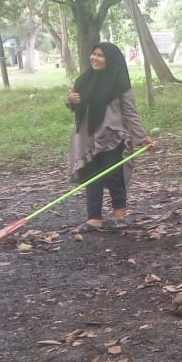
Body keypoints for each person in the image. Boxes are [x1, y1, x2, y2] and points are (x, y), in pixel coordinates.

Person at [66, 42, 154, 233]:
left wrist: (141, 137)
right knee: (92, 176)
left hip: (112, 137)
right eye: (93, 54)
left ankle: (119, 217)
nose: (95, 58)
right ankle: (94, 219)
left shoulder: (120, 85)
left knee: (115, 176)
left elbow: (130, 113)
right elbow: (74, 103)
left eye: (100, 55)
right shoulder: (83, 80)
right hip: (88, 138)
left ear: (111, 60)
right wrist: (71, 100)